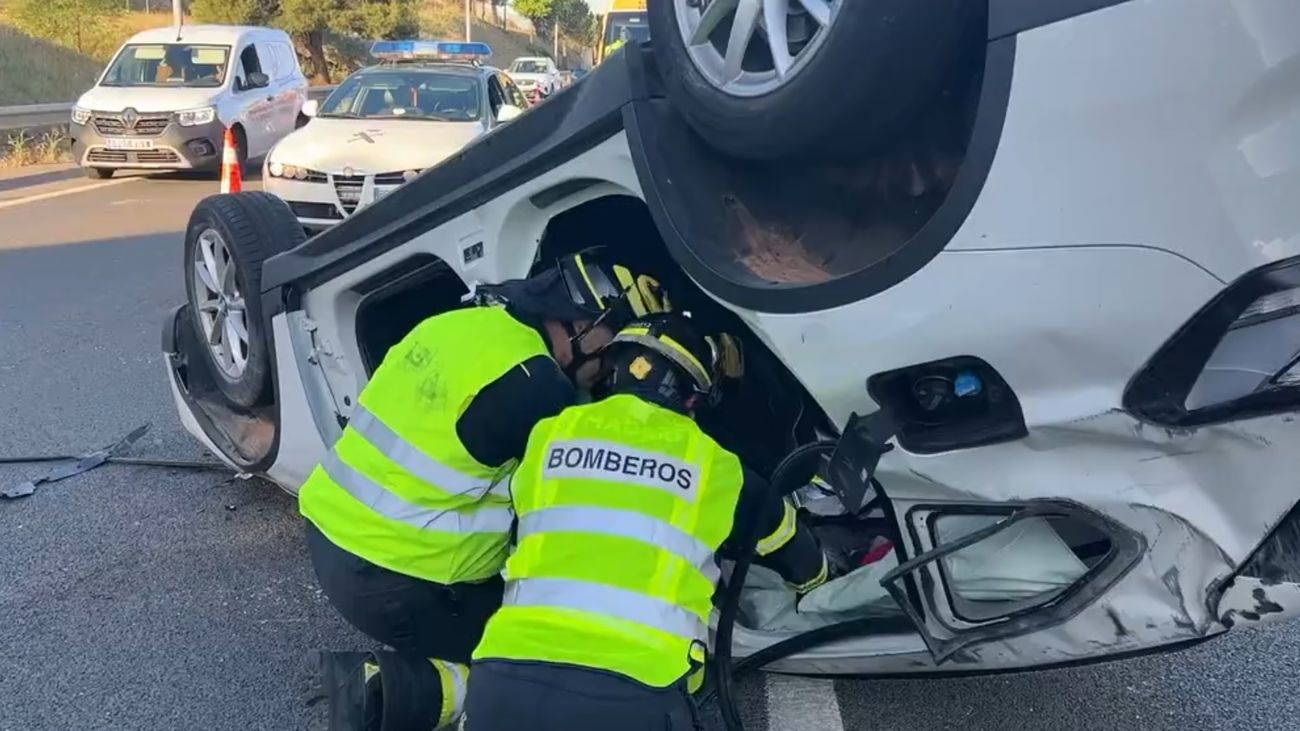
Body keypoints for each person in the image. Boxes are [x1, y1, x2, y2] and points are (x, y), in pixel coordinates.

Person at [299, 250, 673, 731]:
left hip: (331, 536)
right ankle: (388, 687)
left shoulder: (458, 324)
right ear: (581, 324)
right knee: (563, 662)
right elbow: (581, 509)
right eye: (614, 344)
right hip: (397, 582)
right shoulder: (536, 388)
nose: (611, 364)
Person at [465, 313, 829, 730]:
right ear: (693, 398)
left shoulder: (550, 433)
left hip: (503, 680)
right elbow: (787, 543)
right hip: (631, 693)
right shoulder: (713, 464)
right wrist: (817, 580)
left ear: (612, 372)